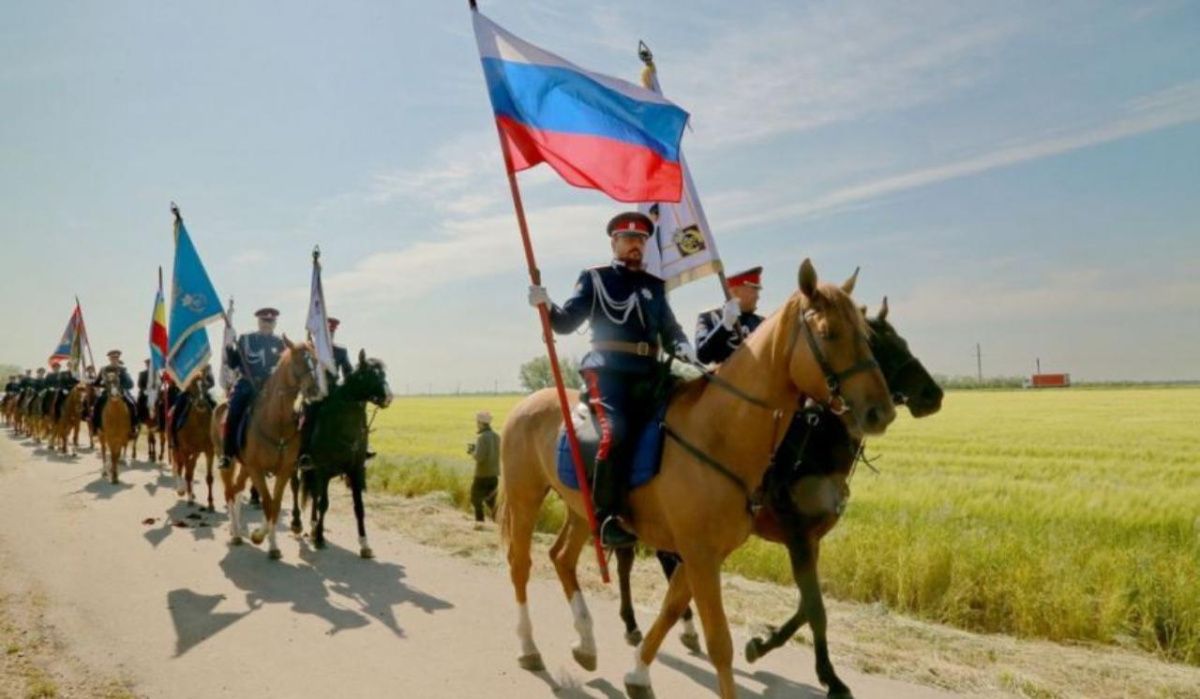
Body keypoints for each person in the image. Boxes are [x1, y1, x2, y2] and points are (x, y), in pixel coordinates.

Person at [528, 211, 695, 548]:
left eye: (641, 240)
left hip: (651, 372)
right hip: (608, 372)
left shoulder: (654, 286)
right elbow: (564, 324)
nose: (636, 245)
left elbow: (670, 329)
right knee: (613, 432)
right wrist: (545, 304)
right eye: (629, 239)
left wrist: (684, 345)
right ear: (614, 242)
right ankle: (606, 518)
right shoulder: (596, 279)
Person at [218, 307, 285, 469]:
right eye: (264, 321)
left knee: (292, 413)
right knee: (233, 411)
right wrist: (229, 348)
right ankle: (228, 454)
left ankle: (291, 454)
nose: (267, 325)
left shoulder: (280, 343)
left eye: (270, 322)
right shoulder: (246, 339)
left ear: (275, 324)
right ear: (258, 322)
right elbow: (234, 363)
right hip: (247, 385)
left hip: (271, 389)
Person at [297, 317, 355, 472]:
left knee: (353, 415)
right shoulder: (308, 350)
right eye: (326, 333)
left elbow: (348, 373)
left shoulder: (341, 351)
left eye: (331, 333)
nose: (329, 336)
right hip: (314, 393)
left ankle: (359, 448)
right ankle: (305, 454)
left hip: (334, 393)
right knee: (308, 418)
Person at [695, 266, 766, 365]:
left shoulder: (763, 323)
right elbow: (703, 356)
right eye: (754, 290)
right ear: (735, 291)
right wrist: (725, 325)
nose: (758, 297)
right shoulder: (709, 317)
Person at [91, 350, 136, 436]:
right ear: (109, 359)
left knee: (132, 404)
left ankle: (133, 428)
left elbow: (130, 384)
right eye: (112, 358)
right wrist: (101, 384)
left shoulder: (123, 369)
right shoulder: (103, 369)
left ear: (118, 358)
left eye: (116, 358)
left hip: (120, 392)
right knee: (97, 405)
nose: (114, 359)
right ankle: (96, 428)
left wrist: (120, 387)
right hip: (107, 392)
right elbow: (97, 383)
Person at [468, 410, 500, 523]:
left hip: (482, 475)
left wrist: (472, 452)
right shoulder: (497, 436)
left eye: (477, 422)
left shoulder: (481, 437)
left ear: (481, 423)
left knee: (475, 499)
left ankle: (480, 522)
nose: (477, 424)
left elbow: (479, 457)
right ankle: (500, 522)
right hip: (494, 475)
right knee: (492, 502)